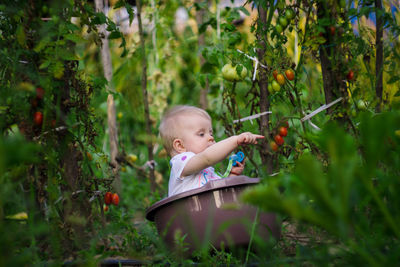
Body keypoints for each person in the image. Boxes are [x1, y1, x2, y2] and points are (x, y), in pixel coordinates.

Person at [159, 105, 264, 196]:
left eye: (211, 133)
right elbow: (207, 158)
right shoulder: (181, 162)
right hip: (188, 216)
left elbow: (221, 194)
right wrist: (236, 140)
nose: (210, 138)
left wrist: (232, 175)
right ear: (180, 146)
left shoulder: (207, 170)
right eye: (201, 134)